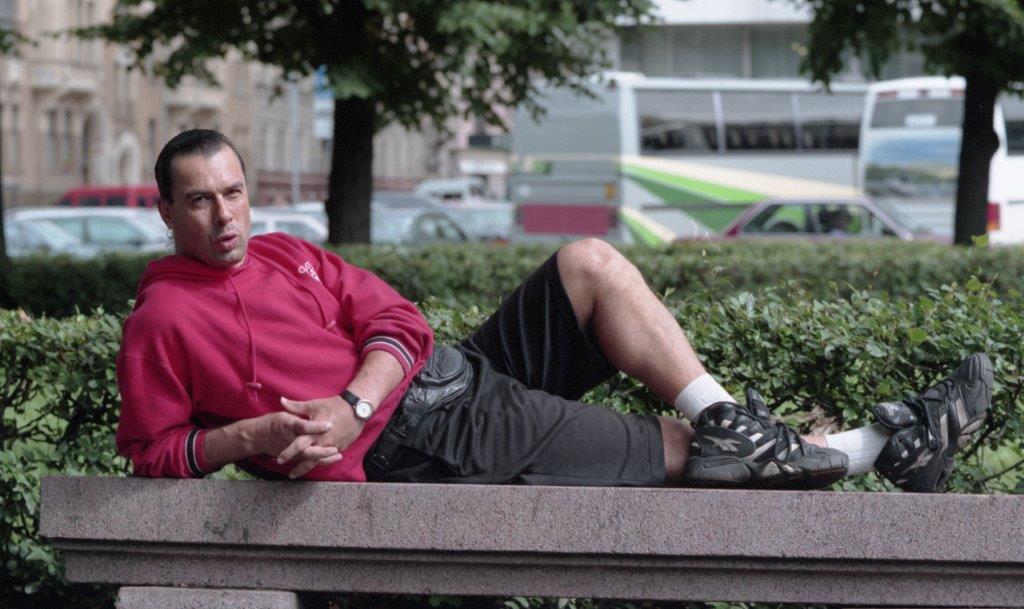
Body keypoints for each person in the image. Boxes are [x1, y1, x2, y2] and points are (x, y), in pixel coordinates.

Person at [116, 129, 993, 493]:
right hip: (421, 444)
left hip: (443, 378)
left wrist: (352, 399)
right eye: (200, 200)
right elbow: (153, 450)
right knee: (683, 452)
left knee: (589, 263)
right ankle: (882, 448)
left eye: (234, 192)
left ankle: (730, 414)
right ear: (165, 212)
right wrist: (250, 436)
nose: (225, 216)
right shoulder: (163, 321)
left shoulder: (285, 251)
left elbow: (402, 325)